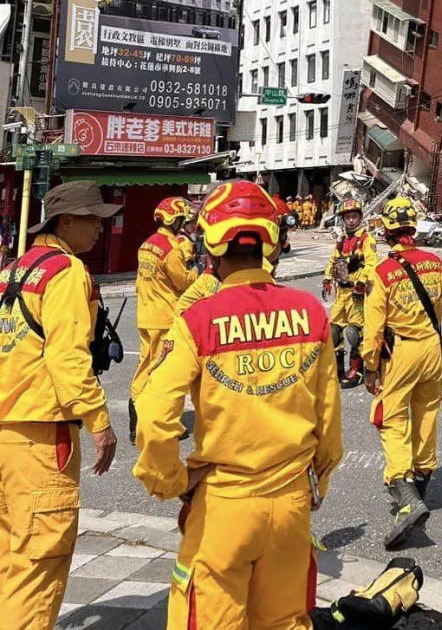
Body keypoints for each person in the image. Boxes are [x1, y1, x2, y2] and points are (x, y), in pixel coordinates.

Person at [133, 180, 342, 629]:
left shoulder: (198, 319)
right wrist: (314, 483)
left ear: (210, 248)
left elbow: (153, 415)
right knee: (286, 621)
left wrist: (173, 481)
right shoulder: (310, 313)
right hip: (290, 506)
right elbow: (329, 420)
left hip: (223, 506)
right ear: (270, 243)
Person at [0, 180, 121, 629]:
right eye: (92, 219)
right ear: (64, 222)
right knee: (38, 566)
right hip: (41, 434)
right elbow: (67, 355)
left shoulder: (14, 271)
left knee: (11, 558)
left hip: (5, 430)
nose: (100, 229)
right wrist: (99, 420)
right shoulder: (66, 272)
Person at [363, 197, 442, 548]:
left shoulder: (383, 272)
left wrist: (368, 367)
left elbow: (373, 328)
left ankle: (405, 494)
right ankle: (422, 485)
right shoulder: (435, 263)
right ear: (413, 228)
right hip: (432, 351)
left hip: (402, 352)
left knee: (391, 419)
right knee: (426, 416)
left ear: (387, 231)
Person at [128, 197, 197, 444]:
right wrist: (195, 267)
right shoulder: (171, 250)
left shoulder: (147, 245)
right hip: (166, 318)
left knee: (147, 365)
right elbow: (185, 282)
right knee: (167, 372)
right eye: (183, 219)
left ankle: (136, 415)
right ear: (175, 219)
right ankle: (165, 423)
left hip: (146, 315)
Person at [324, 200, 378, 387]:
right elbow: (333, 260)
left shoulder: (366, 239)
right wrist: (326, 279)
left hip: (356, 292)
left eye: (354, 217)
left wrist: (362, 282)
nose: (351, 220)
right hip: (341, 293)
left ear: (360, 218)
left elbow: (372, 264)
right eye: (348, 217)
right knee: (334, 331)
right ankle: (338, 371)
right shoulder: (341, 240)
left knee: (355, 332)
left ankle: (357, 371)